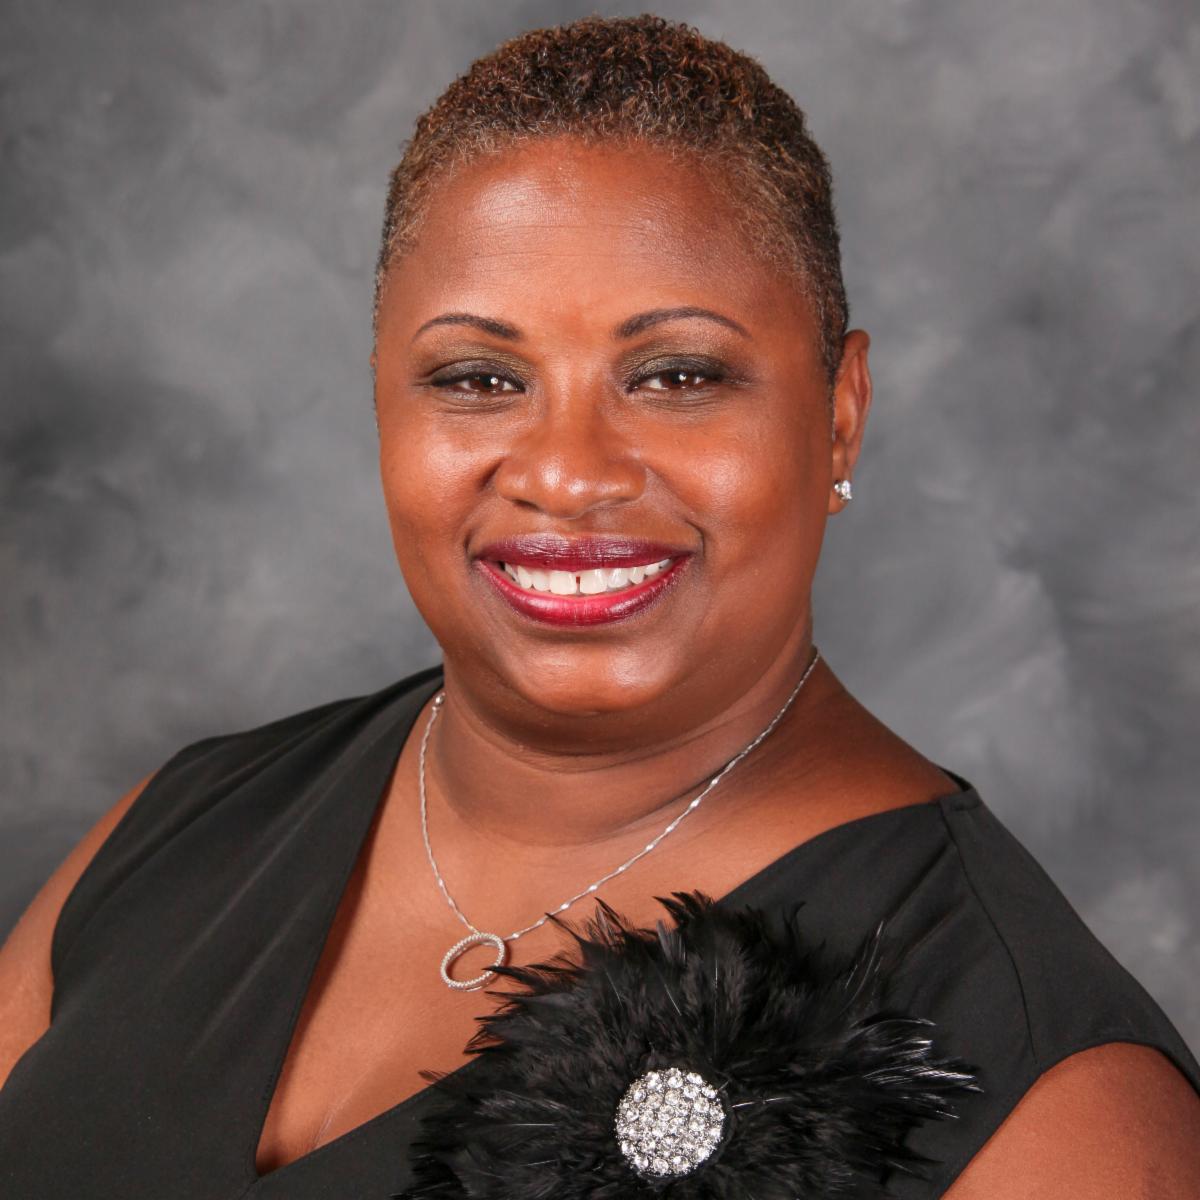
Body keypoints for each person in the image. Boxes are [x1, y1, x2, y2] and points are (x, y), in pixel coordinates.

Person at [1, 14, 1197, 1199]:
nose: (568, 473)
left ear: (840, 413)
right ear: (383, 403)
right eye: (480, 378)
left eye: (677, 375)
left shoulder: (1055, 1101)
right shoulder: (178, 829)